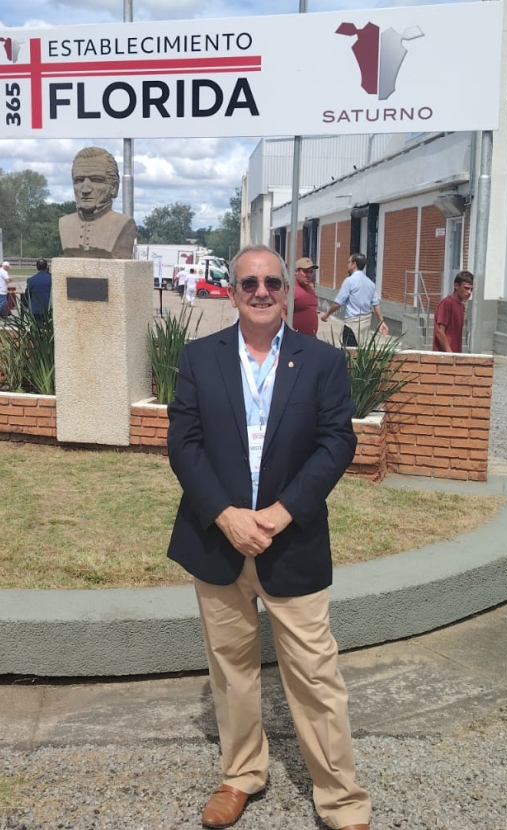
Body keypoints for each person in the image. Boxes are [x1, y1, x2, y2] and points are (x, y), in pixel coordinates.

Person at [166, 245, 371, 830]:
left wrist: (282, 513)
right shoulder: (200, 357)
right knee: (231, 671)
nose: (261, 292)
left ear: (287, 292)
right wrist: (224, 515)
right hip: (218, 541)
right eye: (249, 283)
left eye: (272, 283)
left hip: (292, 539)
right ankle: (241, 775)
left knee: (315, 675)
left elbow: (337, 442)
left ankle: (341, 799)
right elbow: (183, 443)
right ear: (232, 292)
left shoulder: (321, 361)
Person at [57, 147, 138, 258]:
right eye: (79, 180)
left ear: (113, 187)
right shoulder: (64, 223)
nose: (85, 190)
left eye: (96, 180)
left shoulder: (124, 224)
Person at [320, 253, 389, 347]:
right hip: (365, 324)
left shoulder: (349, 281)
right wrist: (381, 321)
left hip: (352, 324)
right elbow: (376, 304)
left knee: (349, 352)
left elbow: (338, 303)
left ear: (354, 264)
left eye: (348, 262)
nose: (347, 265)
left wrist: (327, 314)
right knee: (361, 352)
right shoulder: (370, 283)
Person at [433, 270, 474, 353]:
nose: (469, 292)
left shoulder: (461, 306)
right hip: (444, 356)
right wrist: (450, 355)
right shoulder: (447, 303)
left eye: (471, 289)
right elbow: (440, 332)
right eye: (466, 288)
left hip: (455, 355)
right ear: (456, 286)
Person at [292, 256, 320, 337]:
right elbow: (281, 313)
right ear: (296, 271)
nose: (309, 275)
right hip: (298, 338)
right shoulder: (291, 290)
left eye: (311, 272)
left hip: (311, 337)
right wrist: (291, 332)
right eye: (306, 272)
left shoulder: (309, 287)